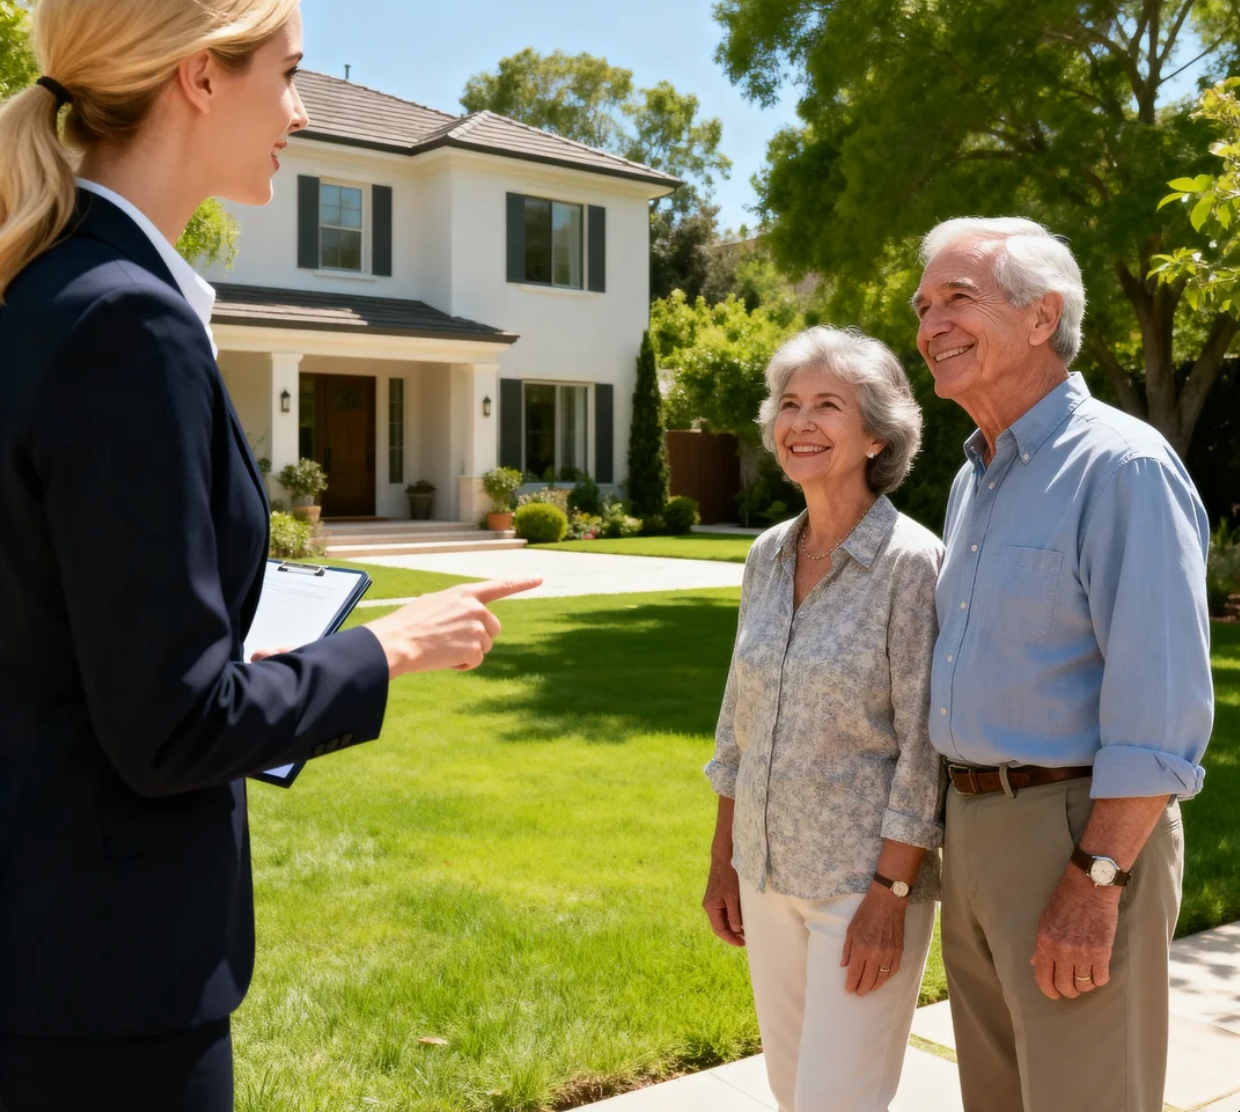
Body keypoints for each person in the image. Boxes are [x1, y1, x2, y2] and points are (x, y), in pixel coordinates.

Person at [0, 3, 538, 1109]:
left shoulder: (40, 296)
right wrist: (390, 648)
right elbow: (173, 728)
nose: (299, 110)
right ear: (201, 76)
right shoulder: (125, 327)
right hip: (104, 989)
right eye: (288, 73)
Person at [912, 216, 1213, 1112]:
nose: (930, 324)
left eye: (957, 298)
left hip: (1076, 837)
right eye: (922, 307)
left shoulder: (1122, 467)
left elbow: (1161, 706)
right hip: (971, 833)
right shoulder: (975, 475)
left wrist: (1097, 878)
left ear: (1042, 316)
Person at [702, 325, 945, 1112]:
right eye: (789, 403)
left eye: (828, 406)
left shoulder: (912, 563)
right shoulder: (768, 554)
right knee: (790, 1091)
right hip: (764, 873)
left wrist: (890, 896)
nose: (800, 422)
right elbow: (739, 720)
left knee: (838, 1100)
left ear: (877, 435)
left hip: (860, 886)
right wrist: (723, 859)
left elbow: (925, 750)